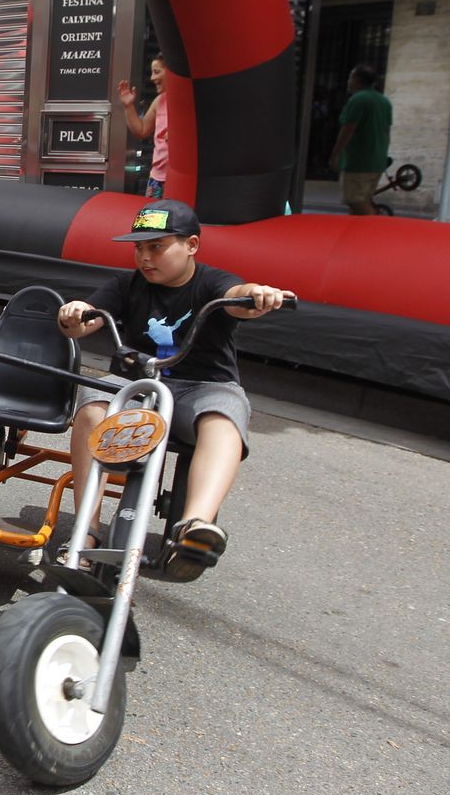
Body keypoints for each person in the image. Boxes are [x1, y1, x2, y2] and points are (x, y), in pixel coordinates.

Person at [55, 199, 290, 580]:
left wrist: (257, 295)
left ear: (192, 246)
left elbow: (237, 299)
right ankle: (87, 532)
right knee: (92, 405)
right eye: (139, 248)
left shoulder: (212, 283)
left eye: (157, 247)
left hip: (200, 388)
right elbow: (84, 324)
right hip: (138, 384)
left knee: (225, 416)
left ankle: (195, 526)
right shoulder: (125, 285)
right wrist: (73, 313)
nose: (145, 257)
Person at [328, 64, 393, 216]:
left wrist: (335, 155)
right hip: (376, 160)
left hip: (358, 161)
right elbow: (386, 132)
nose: (348, 81)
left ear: (357, 79)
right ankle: (358, 236)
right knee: (364, 200)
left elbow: (348, 129)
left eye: (351, 77)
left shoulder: (358, 100)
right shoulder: (384, 101)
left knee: (354, 200)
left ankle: (374, 231)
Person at [116, 55, 168, 199]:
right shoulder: (160, 101)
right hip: (157, 178)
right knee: (149, 222)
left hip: (180, 179)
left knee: (180, 220)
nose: (152, 78)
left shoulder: (191, 100)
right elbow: (142, 130)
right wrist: (128, 106)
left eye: (157, 72)